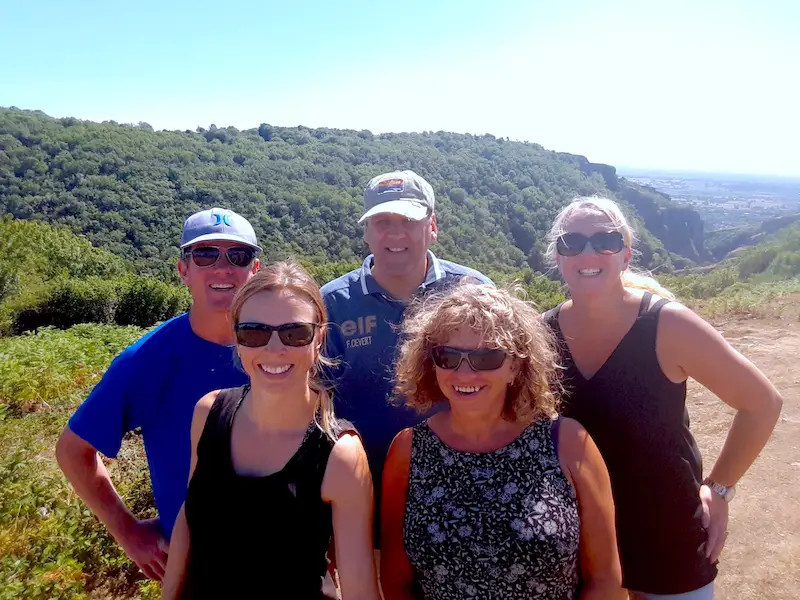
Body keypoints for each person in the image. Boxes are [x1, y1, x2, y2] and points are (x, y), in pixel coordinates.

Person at [542, 196, 784, 599]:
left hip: (667, 536)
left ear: (625, 254)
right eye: (572, 242)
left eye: (605, 240)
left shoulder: (668, 325)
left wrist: (720, 490)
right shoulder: (542, 335)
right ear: (558, 256)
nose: (589, 252)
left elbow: (762, 402)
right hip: (582, 542)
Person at [381, 281, 624, 600]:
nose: (464, 373)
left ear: (515, 367)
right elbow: (396, 582)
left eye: (486, 358)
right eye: (448, 356)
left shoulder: (567, 443)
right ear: (431, 362)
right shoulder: (408, 451)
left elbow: (605, 580)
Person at [56, 208, 261, 581]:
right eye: (205, 255)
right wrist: (128, 532)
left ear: (255, 269)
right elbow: (73, 450)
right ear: (183, 270)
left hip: (288, 556)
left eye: (237, 256)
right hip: (198, 565)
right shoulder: (150, 358)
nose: (222, 268)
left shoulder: (285, 344)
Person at [162, 262, 379, 600]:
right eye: (254, 332)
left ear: (319, 338)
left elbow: (359, 587)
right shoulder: (209, 413)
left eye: (295, 333)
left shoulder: (340, 454)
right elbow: (188, 521)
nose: (274, 349)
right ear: (237, 337)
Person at [321, 170, 492, 535]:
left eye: (409, 220)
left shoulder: (474, 292)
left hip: (466, 494)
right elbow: (312, 402)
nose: (395, 234)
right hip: (366, 503)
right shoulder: (332, 305)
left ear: (432, 227)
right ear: (366, 231)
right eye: (382, 221)